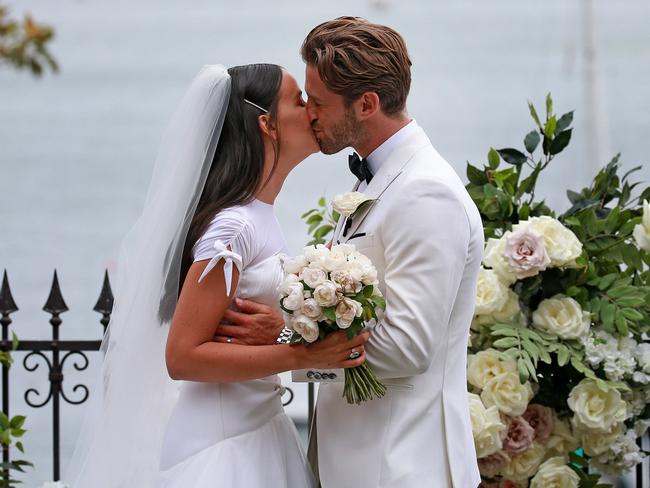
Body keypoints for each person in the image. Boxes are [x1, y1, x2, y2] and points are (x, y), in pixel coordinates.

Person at [64, 63, 368, 488]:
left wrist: (290, 338)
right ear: (268, 125)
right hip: (223, 449)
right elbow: (182, 356)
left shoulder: (260, 218)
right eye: (298, 100)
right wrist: (300, 355)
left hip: (260, 428)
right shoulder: (235, 227)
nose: (312, 111)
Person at [225, 18, 483, 488]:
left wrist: (286, 337)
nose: (310, 115)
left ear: (367, 104)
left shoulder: (426, 193)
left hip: (401, 464)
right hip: (360, 463)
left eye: (318, 103)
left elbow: (407, 348)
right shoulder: (377, 179)